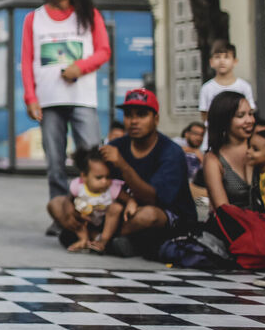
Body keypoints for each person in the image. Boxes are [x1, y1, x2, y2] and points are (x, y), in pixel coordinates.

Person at [21, 0, 110, 232]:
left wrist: (79, 68)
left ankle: (98, 213)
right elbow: (27, 60)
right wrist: (30, 97)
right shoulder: (34, 18)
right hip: (48, 101)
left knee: (94, 156)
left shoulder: (88, 14)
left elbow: (104, 51)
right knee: (55, 163)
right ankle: (61, 217)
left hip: (82, 99)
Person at [51, 89, 193, 257]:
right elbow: (90, 179)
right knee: (56, 204)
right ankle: (106, 240)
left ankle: (100, 239)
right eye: (128, 115)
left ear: (156, 119)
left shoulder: (170, 152)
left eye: (141, 115)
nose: (133, 121)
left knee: (148, 215)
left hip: (164, 216)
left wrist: (123, 166)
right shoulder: (116, 145)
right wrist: (71, 208)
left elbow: (152, 200)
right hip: (116, 213)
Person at [60, 147, 127, 253]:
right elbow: (68, 200)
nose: (104, 181)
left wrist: (132, 203)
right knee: (76, 212)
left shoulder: (112, 188)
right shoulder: (78, 186)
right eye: (99, 177)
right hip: (88, 220)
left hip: (105, 223)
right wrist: (71, 213)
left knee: (116, 207)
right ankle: (84, 239)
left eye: (108, 177)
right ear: (84, 176)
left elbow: (128, 199)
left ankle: (103, 241)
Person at [202, 91, 259, 212]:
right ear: (224, 119)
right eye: (241, 115)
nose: (250, 120)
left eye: (251, 114)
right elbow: (224, 211)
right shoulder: (213, 159)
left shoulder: (264, 145)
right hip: (236, 226)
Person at [199, 41, 256, 134]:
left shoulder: (244, 86)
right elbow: (205, 114)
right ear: (211, 62)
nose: (222, 61)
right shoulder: (206, 88)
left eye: (226, 57)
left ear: (235, 61)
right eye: (217, 57)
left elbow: (250, 110)